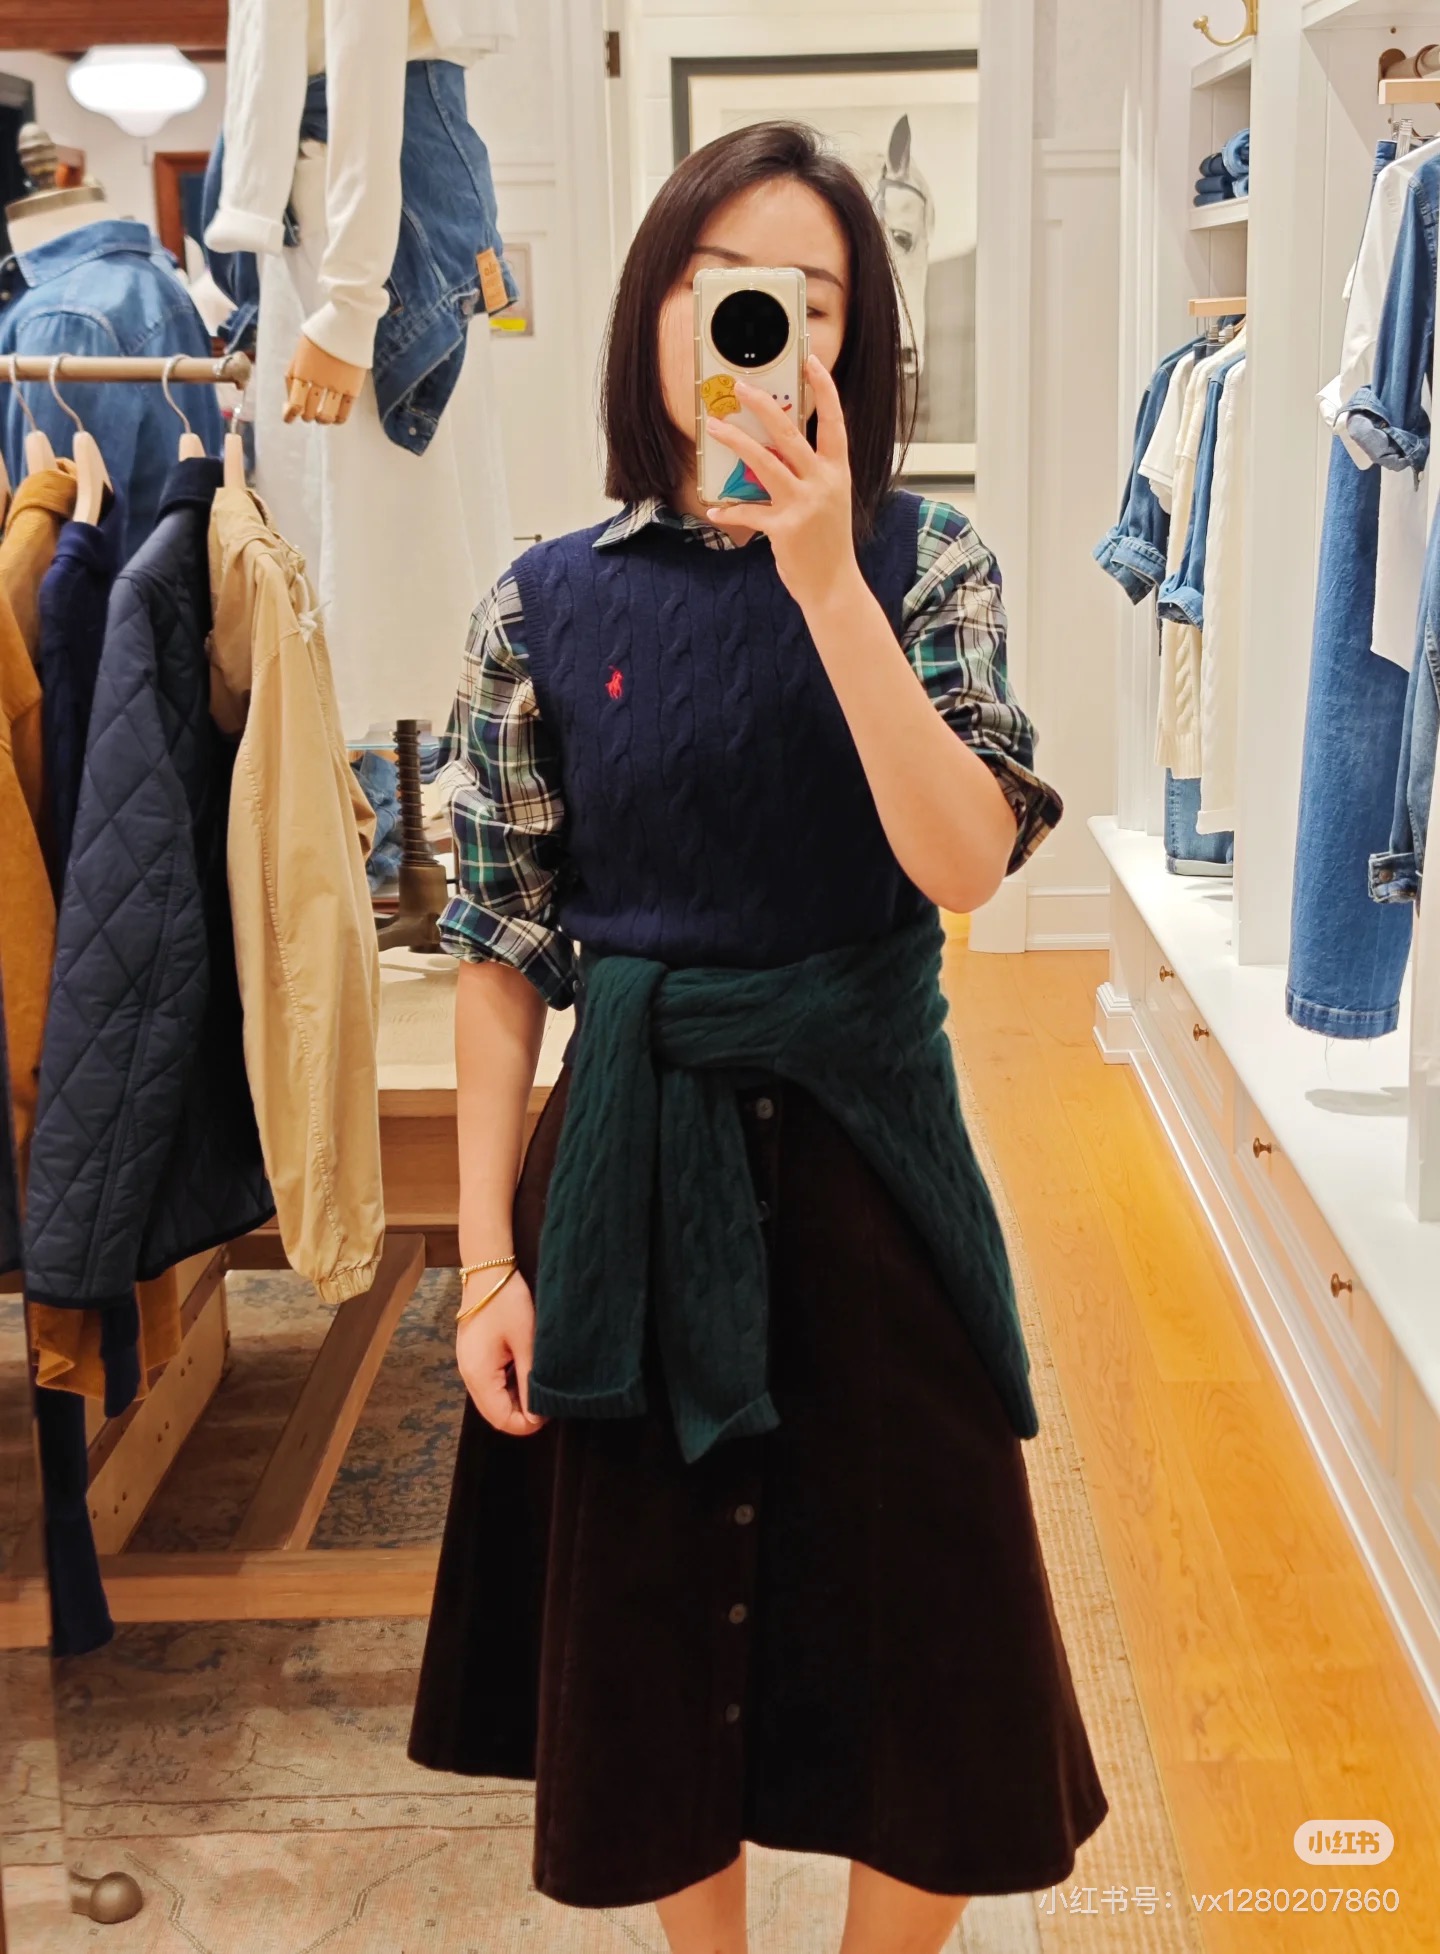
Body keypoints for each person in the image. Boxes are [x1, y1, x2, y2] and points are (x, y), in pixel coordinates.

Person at [407, 119, 1108, 1954]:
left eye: (812, 301)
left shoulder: (927, 565)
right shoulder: (539, 602)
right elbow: (500, 944)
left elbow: (964, 863)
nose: (762, 328)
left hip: (875, 1166)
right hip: (628, 1170)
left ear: (849, 346)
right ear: (655, 307)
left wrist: (826, 586)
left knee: (941, 1640)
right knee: (648, 1633)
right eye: (727, 287)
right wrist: (484, 1262)